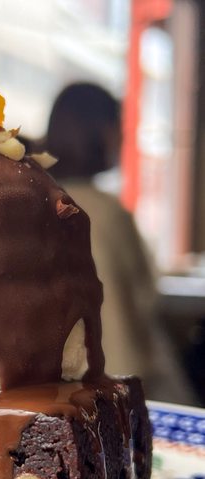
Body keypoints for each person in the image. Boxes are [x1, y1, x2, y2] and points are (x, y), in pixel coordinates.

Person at [43, 82, 194, 404]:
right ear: (104, 132)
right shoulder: (109, 213)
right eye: (120, 127)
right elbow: (147, 298)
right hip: (130, 383)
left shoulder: (33, 205)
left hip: (60, 391)